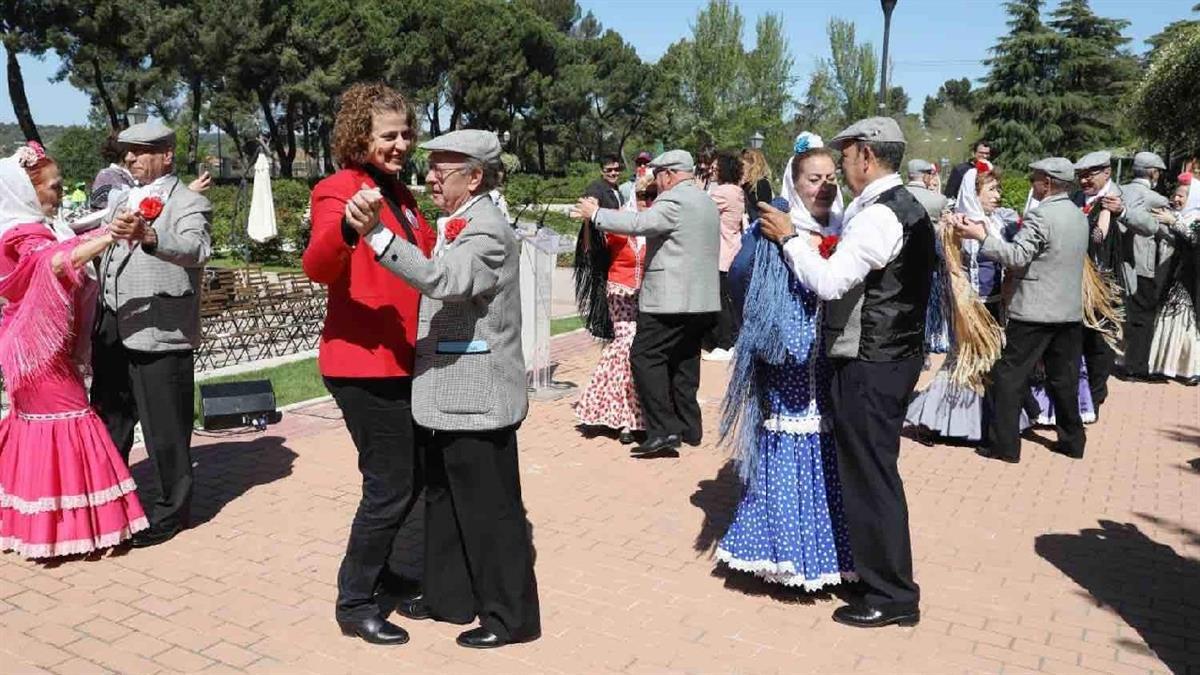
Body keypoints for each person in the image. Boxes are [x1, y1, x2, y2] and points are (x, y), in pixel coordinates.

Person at [344, 129, 540, 649]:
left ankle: (508, 617)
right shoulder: (463, 221)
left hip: (478, 397)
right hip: (452, 395)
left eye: (441, 169)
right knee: (446, 500)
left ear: (474, 177)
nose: (428, 175)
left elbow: (446, 281)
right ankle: (448, 595)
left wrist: (379, 238)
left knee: (490, 512)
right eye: (430, 166)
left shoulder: (487, 229)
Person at [759, 117, 933, 629]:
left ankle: (892, 594)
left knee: (871, 477)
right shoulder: (903, 206)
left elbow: (832, 283)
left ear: (864, 154)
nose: (840, 168)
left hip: (872, 362)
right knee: (874, 472)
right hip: (891, 357)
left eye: (845, 156)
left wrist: (791, 239)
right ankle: (886, 582)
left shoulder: (881, 215)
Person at [301, 83, 435, 646]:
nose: (401, 143)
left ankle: (398, 576)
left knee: (412, 479)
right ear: (360, 137)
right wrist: (347, 228)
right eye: (389, 135)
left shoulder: (401, 195)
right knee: (389, 485)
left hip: (403, 360)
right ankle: (355, 602)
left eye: (406, 133)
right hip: (362, 364)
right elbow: (318, 265)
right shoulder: (340, 190)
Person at [717, 139, 854, 590]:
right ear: (794, 185)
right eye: (814, 179)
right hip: (788, 355)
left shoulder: (844, 226)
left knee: (826, 443)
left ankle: (827, 550)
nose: (825, 187)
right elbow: (738, 277)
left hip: (829, 357)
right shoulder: (773, 226)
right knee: (787, 437)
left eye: (831, 178)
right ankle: (781, 551)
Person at [0, 143, 148, 559]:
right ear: (29, 191)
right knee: (70, 420)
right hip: (36, 349)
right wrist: (109, 236)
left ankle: (48, 527)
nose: (59, 194)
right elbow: (50, 264)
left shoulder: (27, 225)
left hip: (34, 343)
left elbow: (61, 251)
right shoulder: (22, 233)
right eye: (54, 187)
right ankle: (76, 526)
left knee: (38, 425)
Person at [89, 121, 211, 549]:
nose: (130, 158)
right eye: (127, 151)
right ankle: (106, 502)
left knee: (166, 430)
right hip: (113, 326)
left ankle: (170, 512)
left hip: (161, 328)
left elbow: (197, 250)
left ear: (167, 155)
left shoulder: (189, 200)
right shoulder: (120, 197)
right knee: (109, 421)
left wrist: (151, 235)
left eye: (139, 150)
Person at [572, 150, 720, 458]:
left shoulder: (673, 200)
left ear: (669, 174)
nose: (656, 184)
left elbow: (641, 223)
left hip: (669, 299)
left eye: (658, 176)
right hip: (703, 299)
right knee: (684, 361)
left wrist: (596, 214)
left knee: (644, 357)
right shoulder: (705, 199)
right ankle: (689, 426)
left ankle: (663, 430)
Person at [959, 158, 1089, 463]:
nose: (1032, 183)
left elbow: (1016, 256)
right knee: (1063, 378)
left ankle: (1004, 446)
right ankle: (1073, 440)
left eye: (1035, 178)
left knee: (1008, 376)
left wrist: (982, 237)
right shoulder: (1077, 215)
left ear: (1046, 182)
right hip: (1068, 311)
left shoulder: (1040, 217)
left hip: (1034, 311)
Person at [905, 165, 1007, 443]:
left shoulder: (997, 222)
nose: (997, 195)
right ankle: (935, 421)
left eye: (998, 189)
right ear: (974, 193)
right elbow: (949, 267)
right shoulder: (957, 225)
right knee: (960, 361)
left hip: (992, 305)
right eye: (991, 190)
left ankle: (983, 421)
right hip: (966, 306)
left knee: (987, 363)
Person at [1072, 150, 1157, 416]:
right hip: (1076, 282)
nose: (1084, 181)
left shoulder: (1128, 195)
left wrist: (1123, 212)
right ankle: (1079, 395)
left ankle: (1095, 397)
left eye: (1090, 175)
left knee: (1101, 342)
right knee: (1076, 339)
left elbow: (1150, 226)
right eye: (1081, 176)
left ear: (1107, 172)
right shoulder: (1074, 198)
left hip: (1112, 282)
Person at [573, 173, 651, 444]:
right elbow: (589, 247)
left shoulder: (655, 223)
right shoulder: (618, 219)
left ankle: (609, 408)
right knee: (626, 347)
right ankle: (626, 418)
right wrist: (586, 221)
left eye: (652, 196)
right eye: (643, 196)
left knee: (638, 352)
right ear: (634, 196)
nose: (646, 202)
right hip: (620, 292)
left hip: (648, 297)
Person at [1119, 152, 1172, 380]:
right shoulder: (1155, 198)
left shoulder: (1120, 190)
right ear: (1153, 172)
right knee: (1143, 318)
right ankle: (1136, 367)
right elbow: (1167, 230)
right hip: (1141, 264)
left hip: (1116, 263)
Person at [1148, 183, 1200, 384]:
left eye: (1182, 196)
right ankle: (1164, 366)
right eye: (1175, 195)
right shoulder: (1178, 215)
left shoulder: (1195, 218)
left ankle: (1190, 369)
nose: (1177, 199)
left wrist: (1174, 222)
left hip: (1189, 280)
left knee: (1186, 323)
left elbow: (1195, 240)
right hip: (1172, 276)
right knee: (1168, 319)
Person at [573, 154, 627, 340]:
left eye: (616, 169)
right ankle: (600, 324)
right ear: (601, 171)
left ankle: (608, 321)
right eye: (609, 170)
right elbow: (589, 204)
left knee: (606, 282)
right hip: (597, 243)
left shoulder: (616, 190)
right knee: (599, 283)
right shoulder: (597, 187)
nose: (613, 173)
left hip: (612, 243)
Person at [704, 150, 746, 362]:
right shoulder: (737, 191)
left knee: (722, 300)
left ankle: (726, 343)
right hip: (733, 248)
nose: (711, 170)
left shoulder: (722, 192)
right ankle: (728, 340)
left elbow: (701, 209)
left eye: (715, 167)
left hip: (723, 253)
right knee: (728, 299)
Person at [905, 159, 948, 224]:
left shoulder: (894, 195)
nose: (931, 177)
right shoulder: (940, 200)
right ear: (925, 176)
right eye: (930, 173)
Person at [741, 148, 773, 224]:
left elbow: (764, 212)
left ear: (753, 165)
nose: (740, 168)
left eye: (742, 165)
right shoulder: (746, 185)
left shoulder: (761, 184)